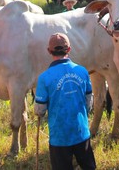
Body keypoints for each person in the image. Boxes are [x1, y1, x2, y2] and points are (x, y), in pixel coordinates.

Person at [35, 33, 96, 170]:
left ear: (49, 51)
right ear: (69, 49)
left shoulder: (44, 77)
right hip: (81, 133)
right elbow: (89, 102)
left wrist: (39, 112)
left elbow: (40, 110)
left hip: (59, 137)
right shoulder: (82, 71)